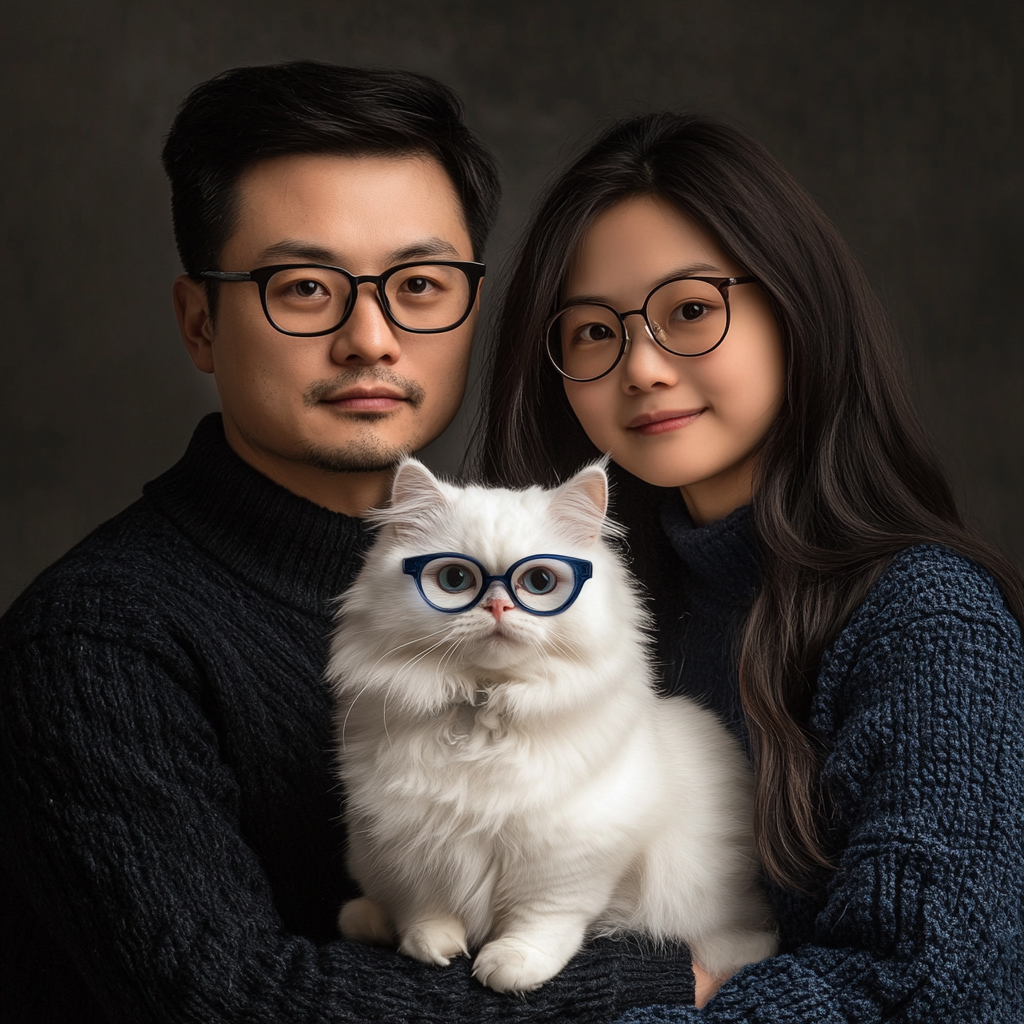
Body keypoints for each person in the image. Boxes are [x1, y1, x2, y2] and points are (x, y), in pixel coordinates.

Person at [0, 64, 695, 1023]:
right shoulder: (94, 646)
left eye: (418, 284)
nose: (371, 337)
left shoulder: (564, 572)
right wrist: (673, 981)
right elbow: (234, 1004)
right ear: (201, 322)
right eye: (305, 287)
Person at [482, 112, 1024, 1020]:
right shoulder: (591, 620)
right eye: (590, 333)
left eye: (690, 311)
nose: (642, 368)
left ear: (794, 306)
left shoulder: (928, 621)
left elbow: (919, 987)